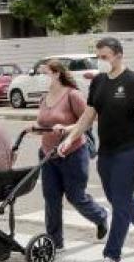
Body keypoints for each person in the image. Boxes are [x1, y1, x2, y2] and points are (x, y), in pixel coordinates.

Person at [58, 36, 134, 262]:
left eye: (104, 57)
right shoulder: (99, 83)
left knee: (121, 201)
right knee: (118, 200)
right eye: (99, 57)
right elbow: (88, 116)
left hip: (130, 151)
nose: (101, 61)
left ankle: (111, 255)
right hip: (107, 153)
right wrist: (71, 137)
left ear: (118, 55)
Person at [32, 59, 108, 250]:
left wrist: (66, 128)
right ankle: (55, 243)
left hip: (73, 153)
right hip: (48, 155)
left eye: (44, 73)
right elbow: (45, 123)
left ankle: (100, 216)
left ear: (56, 74)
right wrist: (36, 129)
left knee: (76, 196)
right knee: (51, 199)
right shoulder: (44, 97)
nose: (40, 77)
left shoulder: (72, 95)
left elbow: (89, 120)